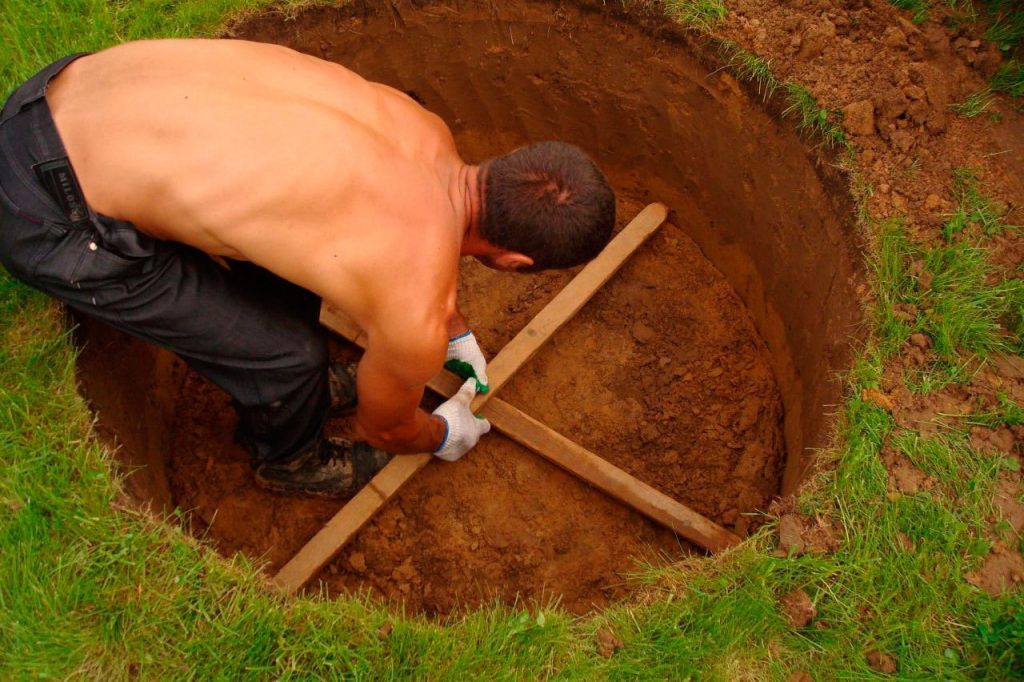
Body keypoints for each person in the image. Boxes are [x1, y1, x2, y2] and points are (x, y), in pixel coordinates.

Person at [0, 39, 616, 497]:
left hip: (60, 96)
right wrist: (444, 432)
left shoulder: (418, 127)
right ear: (514, 261)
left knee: (298, 272)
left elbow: (413, 232)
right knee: (289, 356)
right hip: (44, 211)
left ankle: (309, 391)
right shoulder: (411, 310)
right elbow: (388, 432)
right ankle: (287, 461)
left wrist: (450, 328)